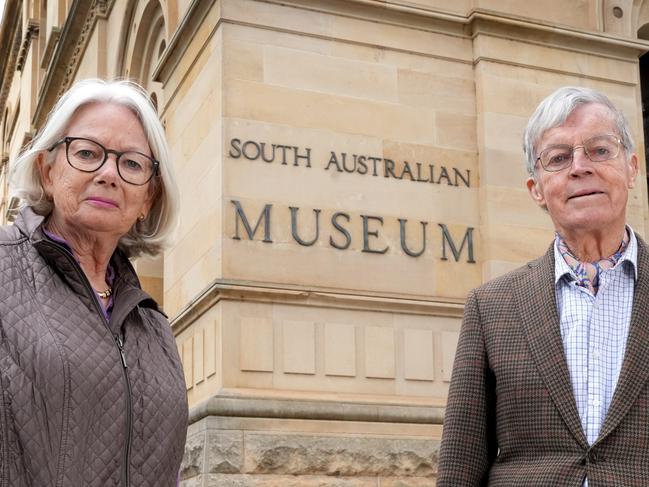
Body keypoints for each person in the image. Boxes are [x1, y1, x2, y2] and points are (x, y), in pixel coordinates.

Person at [437, 86, 649, 486]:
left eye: (600, 150)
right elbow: (461, 461)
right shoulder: (492, 306)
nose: (580, 167)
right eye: (558, 158)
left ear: (632, 168)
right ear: (536, 189)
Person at [0, 79, 188, 486]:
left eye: (132, 164)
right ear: (47, 171)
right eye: (87, 153)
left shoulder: (152, 324)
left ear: (148, 199)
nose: (109, 174)